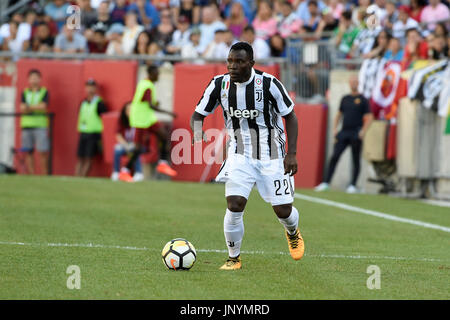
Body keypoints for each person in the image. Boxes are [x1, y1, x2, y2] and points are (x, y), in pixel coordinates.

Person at [190, 42, 304, 270]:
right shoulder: (218, 84)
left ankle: (292, 231)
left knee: (283, 210)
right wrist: (197, 131)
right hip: (239, 152)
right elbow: (198, 113)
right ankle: (234, 258)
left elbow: (290, 116)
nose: (232, 66)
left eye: (239, 62)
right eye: (230, 61)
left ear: (251, 63)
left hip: (272, 153)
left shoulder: (269, 84)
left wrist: (291, 154)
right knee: (234, 204)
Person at [315, 75, 373, 193]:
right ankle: (326, 182)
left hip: (356, 132)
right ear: (349, 83)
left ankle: (353, 185)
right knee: (335, 156)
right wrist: (335, 129)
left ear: (358, 83)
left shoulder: (363, 99)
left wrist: (363, 131)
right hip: (344, 132)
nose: (353, 84)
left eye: (355, 82)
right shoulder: (345, 98)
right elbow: (339, 114)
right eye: (352, 81)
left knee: (355, 159)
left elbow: (369, 117)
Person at [123, 65, 177, 182]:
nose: (158, 75)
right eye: (157, 73)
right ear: (151, 73)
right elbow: (150, 105)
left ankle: (126, 171)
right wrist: (169, 113)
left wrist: (154, 103)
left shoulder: (145, 84)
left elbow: (144, 101)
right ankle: (126, 170)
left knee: (161, 137)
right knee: (158, 139)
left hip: (144, 118)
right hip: (142, 119)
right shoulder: (147, 86)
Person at [19, 69, 50, 175]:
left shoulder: (44, 91)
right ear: (28, 79)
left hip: (40, 125)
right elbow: (22, 107)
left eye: (36, 77)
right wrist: (34, 107)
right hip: (26, 125)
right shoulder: (25, 92)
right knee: (28, 151)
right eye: (32, 77)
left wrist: (29, 107)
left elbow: (43, 106)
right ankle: (31, 174)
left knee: (42, 151)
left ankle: (44, 174)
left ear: (40, 79)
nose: (34, 80)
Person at [75, 79, 108, 177]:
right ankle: (77, 177)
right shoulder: (83, 102)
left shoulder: (100, 103)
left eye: (92, 87)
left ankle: (83, 177)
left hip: (94, 134)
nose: (90, 89)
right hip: (83, 132)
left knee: (89, 157)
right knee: (80, 157)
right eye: (88, 87)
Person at [111, 102, 144, 182]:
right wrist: (125, 145)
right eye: (128, 110)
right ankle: (116, 172)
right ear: (125, 112)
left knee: (136, 150)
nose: (130, 112)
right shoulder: (122, 121)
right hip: (125, 145)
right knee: (117, 149)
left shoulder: (139, 121)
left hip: (136, 145)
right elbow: (118, 135)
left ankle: (139, 173)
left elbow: (141, 137)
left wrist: (134, 144)